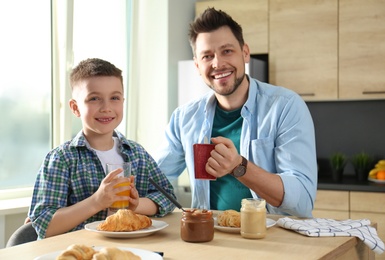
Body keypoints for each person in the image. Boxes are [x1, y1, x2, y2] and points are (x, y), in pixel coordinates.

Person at [154, 8, 317, 218]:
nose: (218, 63)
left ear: (245, 53)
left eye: (227, 51)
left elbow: (301, 202)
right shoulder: (184, 118)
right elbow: (153, 179)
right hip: (210, 238)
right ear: (197, 65)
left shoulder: (285, 106)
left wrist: (238, 166)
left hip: (274, 239)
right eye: (207, 56)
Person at [28, 58, 176, 239]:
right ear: (75, 108)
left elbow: (168, 197)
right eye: (94, 98)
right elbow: (44, 224)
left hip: (130, 250)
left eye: (114, 98)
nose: (106, 108)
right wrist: (97, 202)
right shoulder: (61, 159)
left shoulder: (137, 154)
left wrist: (137, 205)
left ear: (123, 101)